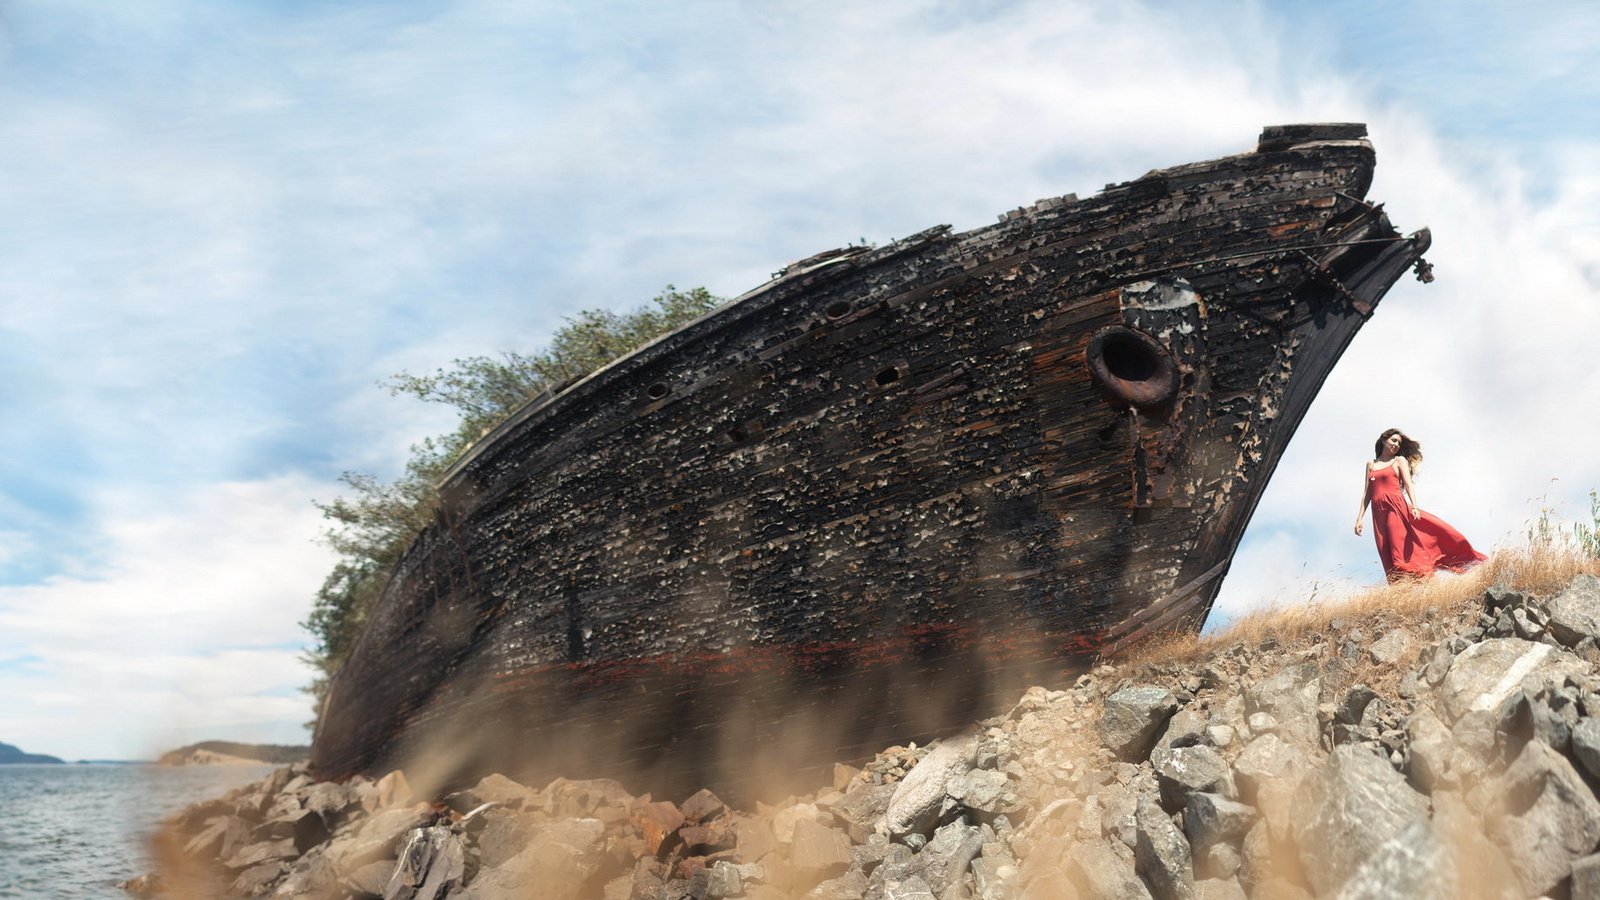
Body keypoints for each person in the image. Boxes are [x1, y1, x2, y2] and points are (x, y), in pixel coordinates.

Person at [1353, 428, 1486, 581]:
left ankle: (1423, 576)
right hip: (1377, 513)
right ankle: (1402, 588)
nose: (1396, 445)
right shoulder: (1371, 464)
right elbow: (1367, 492)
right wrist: (1359, 519)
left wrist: (1414, 506)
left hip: (1395, 508)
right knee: (1385, 551)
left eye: (1399, 443)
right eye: (1393, 440)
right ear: (1384, 440)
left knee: (1398, 551)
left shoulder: (1399, 461)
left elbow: (1408, 485)